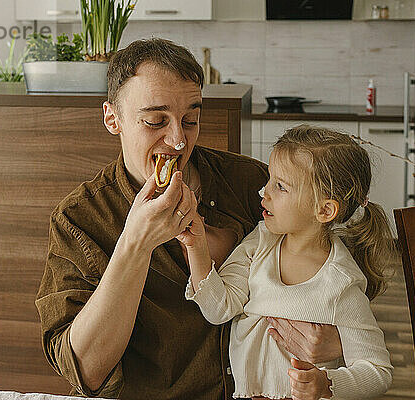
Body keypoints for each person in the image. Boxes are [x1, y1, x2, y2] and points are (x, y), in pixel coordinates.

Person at [35, 38, 343, 400]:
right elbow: (83, 371)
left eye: (190, 119)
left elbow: (341, 270)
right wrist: (135, 244)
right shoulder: (80, 218)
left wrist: (339, 341)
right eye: (155, 121)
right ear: (112, 119)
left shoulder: (253, 185)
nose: (178, 140)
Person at [182, 125, 397, 400]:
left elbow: (377, 371)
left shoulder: (341, 283)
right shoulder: (259, 243)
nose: (264, 192)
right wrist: (196, 246)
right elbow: (219, 309)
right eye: (270, 180)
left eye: (280, 186)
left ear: (324, 210)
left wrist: (326, 384)